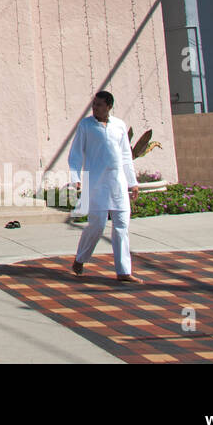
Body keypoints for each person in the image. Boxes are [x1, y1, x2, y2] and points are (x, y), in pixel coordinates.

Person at [68, 90, 139, 282]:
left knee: (122, 226)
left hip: (117, 183)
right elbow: (75, 153)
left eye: (99, 105)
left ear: (109, 106)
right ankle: (80, 259)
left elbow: (126, 156)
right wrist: (76, 177)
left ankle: (124, 272)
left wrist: (132, 183)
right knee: (97, 225)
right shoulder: (86, 125)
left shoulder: (119, 126)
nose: (95, 108)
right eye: (94, 104)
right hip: (95, 183)